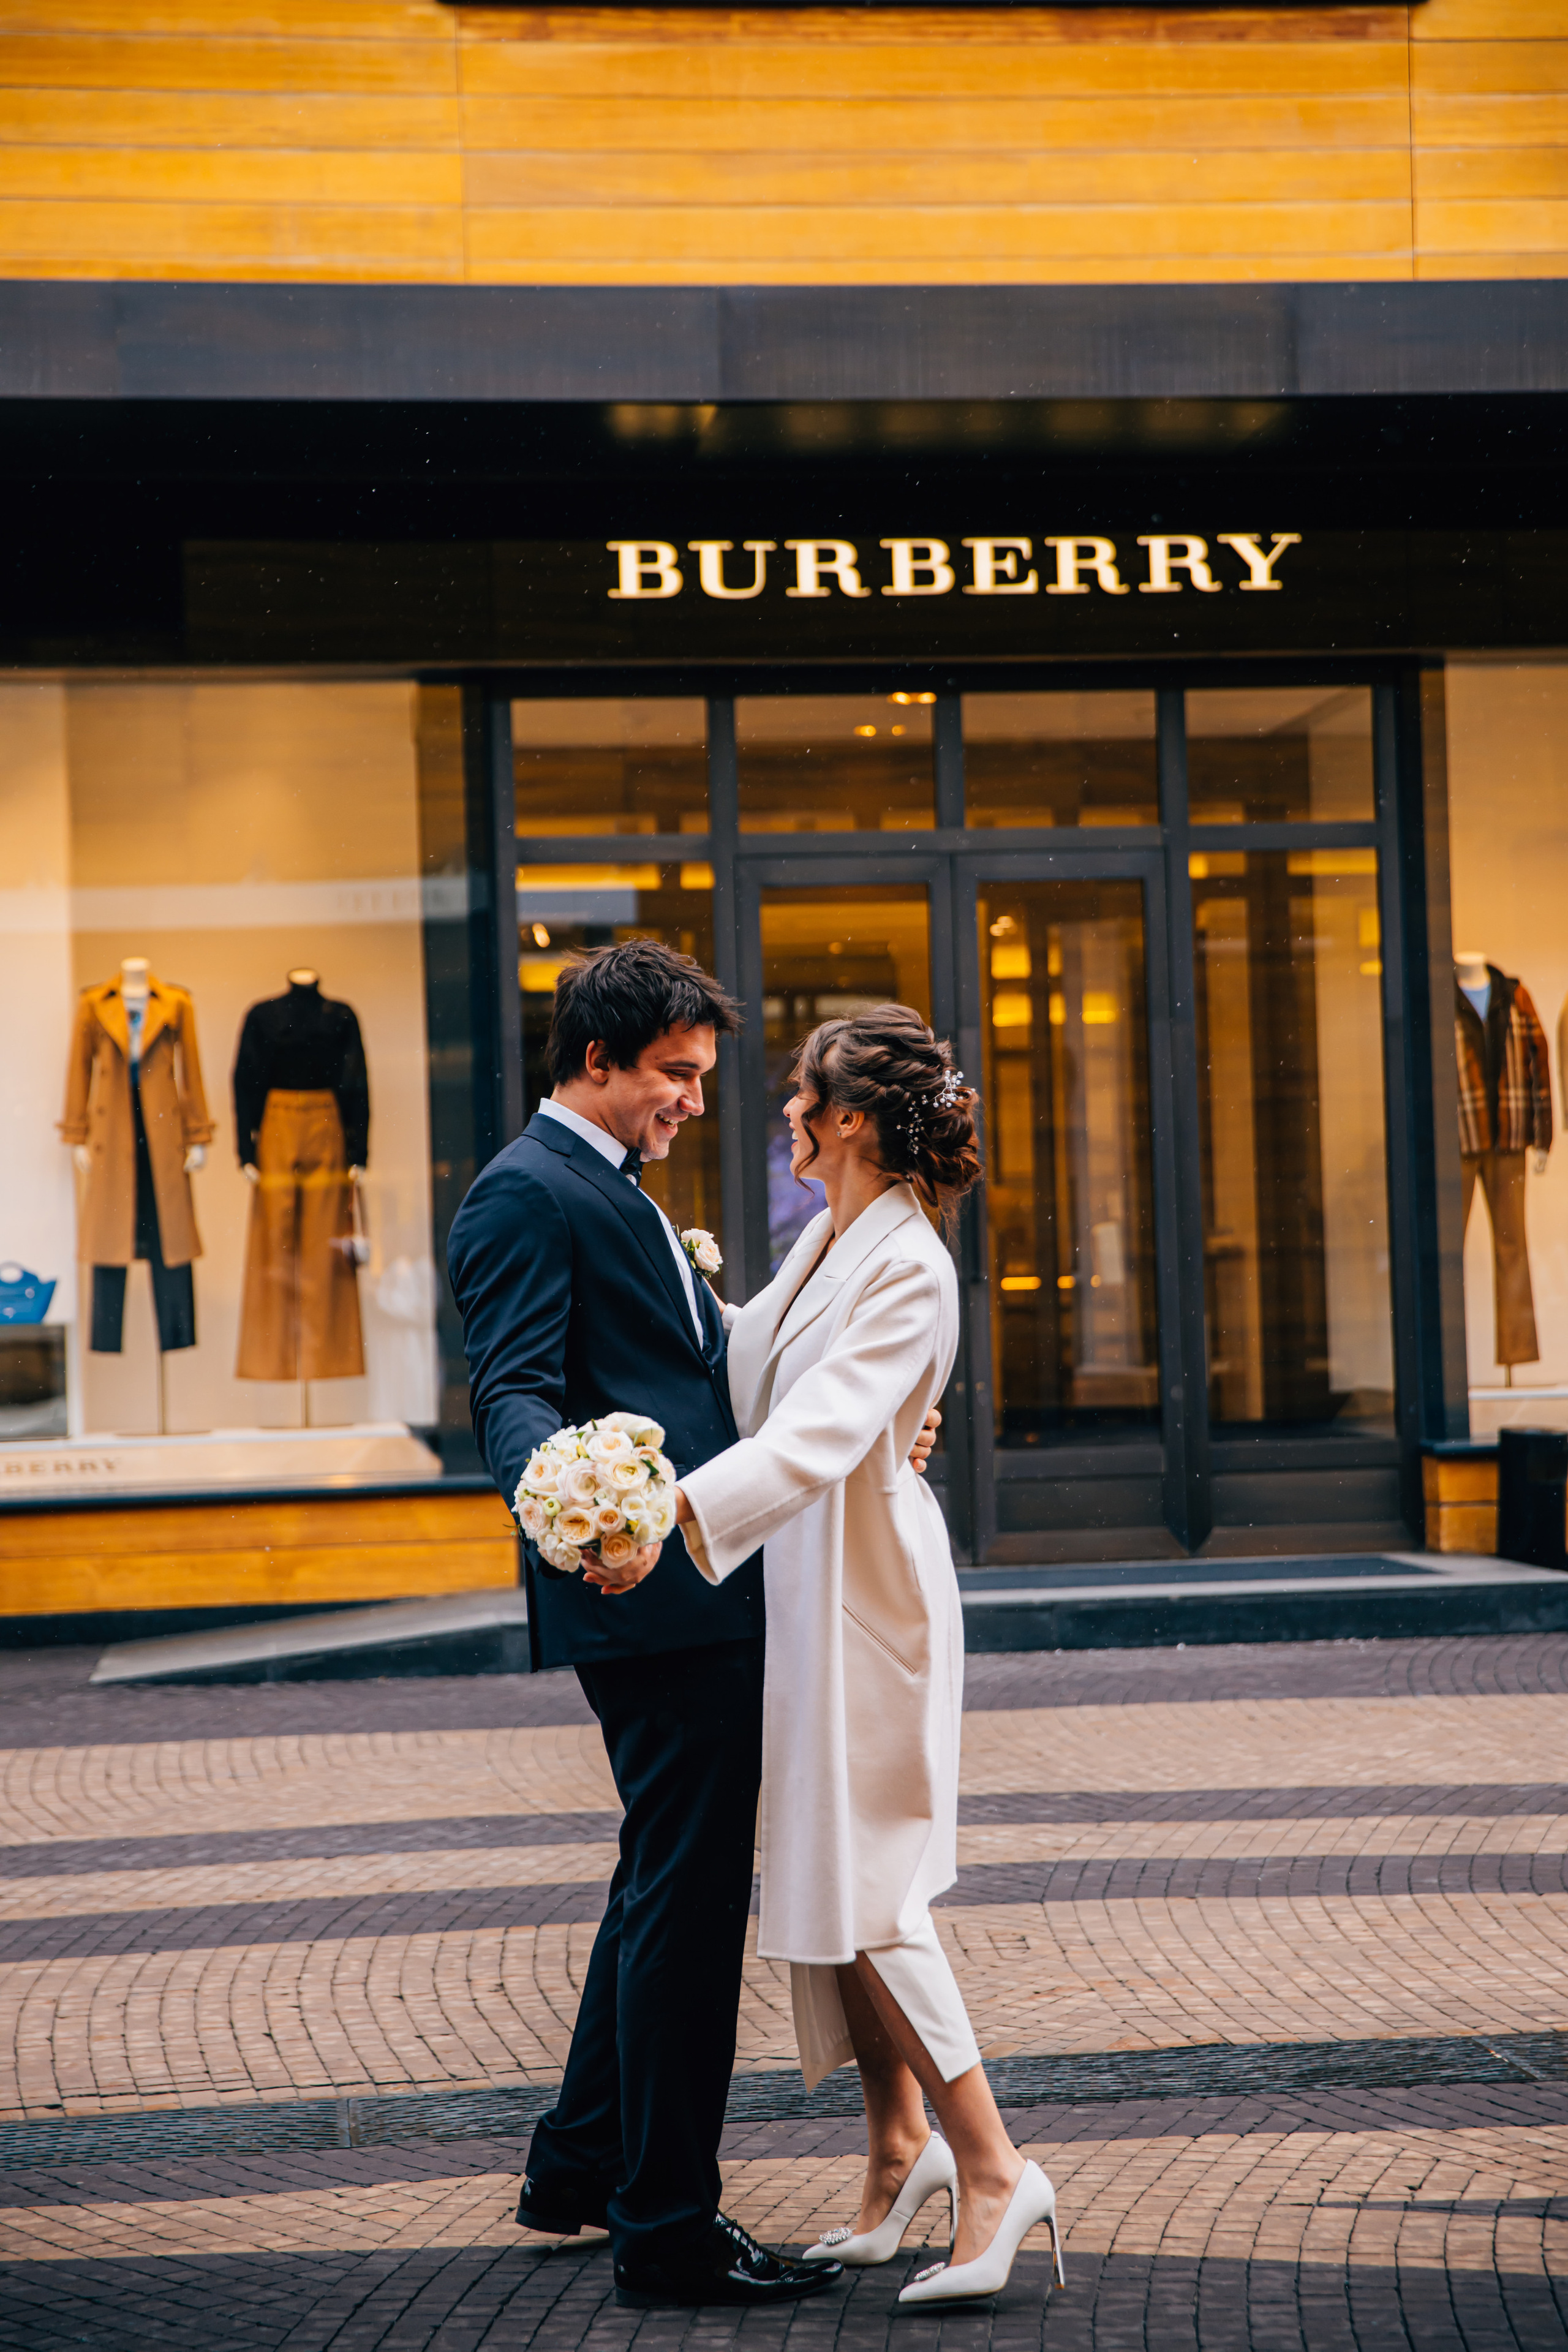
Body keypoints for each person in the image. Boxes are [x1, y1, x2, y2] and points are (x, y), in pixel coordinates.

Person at [447, 944, 937, 2312]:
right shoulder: (523, 1196)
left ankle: (579, 2166)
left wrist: (887, 1413)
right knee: (689, 1896)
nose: (689, 1101)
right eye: (672, 1075)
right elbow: (518, 1394)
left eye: (703, 1077)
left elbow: (710, 1359)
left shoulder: (607, 1188)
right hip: (652, 1597)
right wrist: (574, 1508)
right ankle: (665, 2227)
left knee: (657, 1878)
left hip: (693, 1588)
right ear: (594, 1061)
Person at [670, 1004, 1067, 2307]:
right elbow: (746, 1368)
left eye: (799, 1096)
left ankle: (996, 2170)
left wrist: (676, 1516)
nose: (783, 1112)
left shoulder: (904, 1260)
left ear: (848, 1120)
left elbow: (825, 1429)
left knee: (876, 1890)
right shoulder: (829, 1238)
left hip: (868, 1599)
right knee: (828, 1877)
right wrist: (667, 1267)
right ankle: (897, 2154)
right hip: (807, 1587)